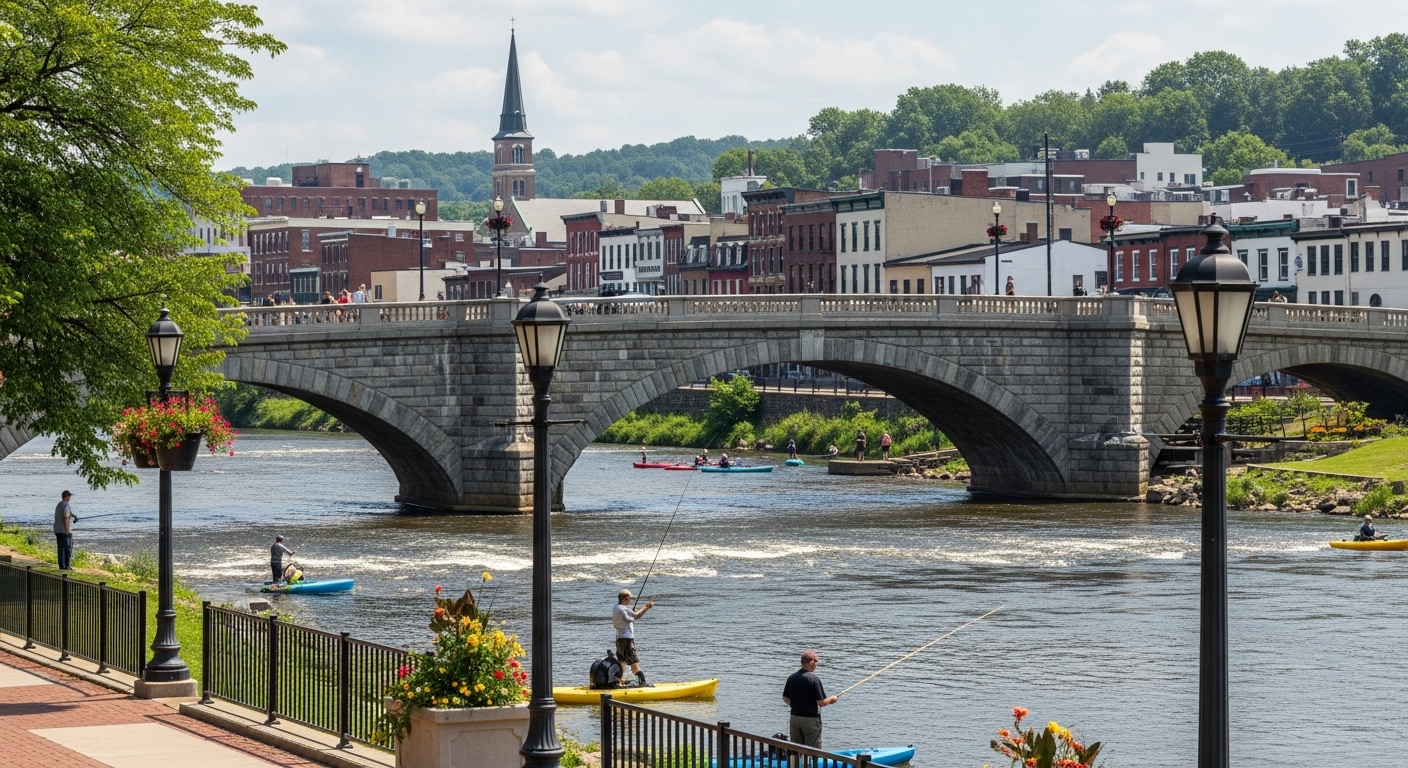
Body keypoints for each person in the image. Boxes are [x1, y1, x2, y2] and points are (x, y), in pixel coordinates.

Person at [782, 649, 837, 748]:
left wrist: (795, 704)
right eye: (816, 661)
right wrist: (832, 699)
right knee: (813, 750)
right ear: (811, 662)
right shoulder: (814, 679)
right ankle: (811, 764)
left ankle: (795, 764)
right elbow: (821, 702)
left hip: (794, 718)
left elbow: (785, 697)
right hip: (810, 720)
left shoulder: (792, 677)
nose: (816, 664)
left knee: (796, 749)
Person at [613, 589, 655, 686]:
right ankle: (643, 683)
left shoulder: (616, 608)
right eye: (630, 597)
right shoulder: (623, 609)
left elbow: (631, 616)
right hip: (627, 639)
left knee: (621, 661)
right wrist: (647, 607)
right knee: (634, 661)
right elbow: (637, 616)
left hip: (619, 639)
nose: (631, 599)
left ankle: (616, 682)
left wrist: (632, 614)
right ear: (626, 598)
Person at [54, 491, 77, 571]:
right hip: (64, 531)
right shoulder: (66, 505)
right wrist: (67, 530)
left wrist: (74, 516)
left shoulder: (59, 504)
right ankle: (66, 566)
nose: (70, 498)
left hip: (57, 530)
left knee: (61, 549)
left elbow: (68, 513)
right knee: (68, 548)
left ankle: (62, 565)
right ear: (66, 496)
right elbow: (66, 517)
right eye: (69, 496)